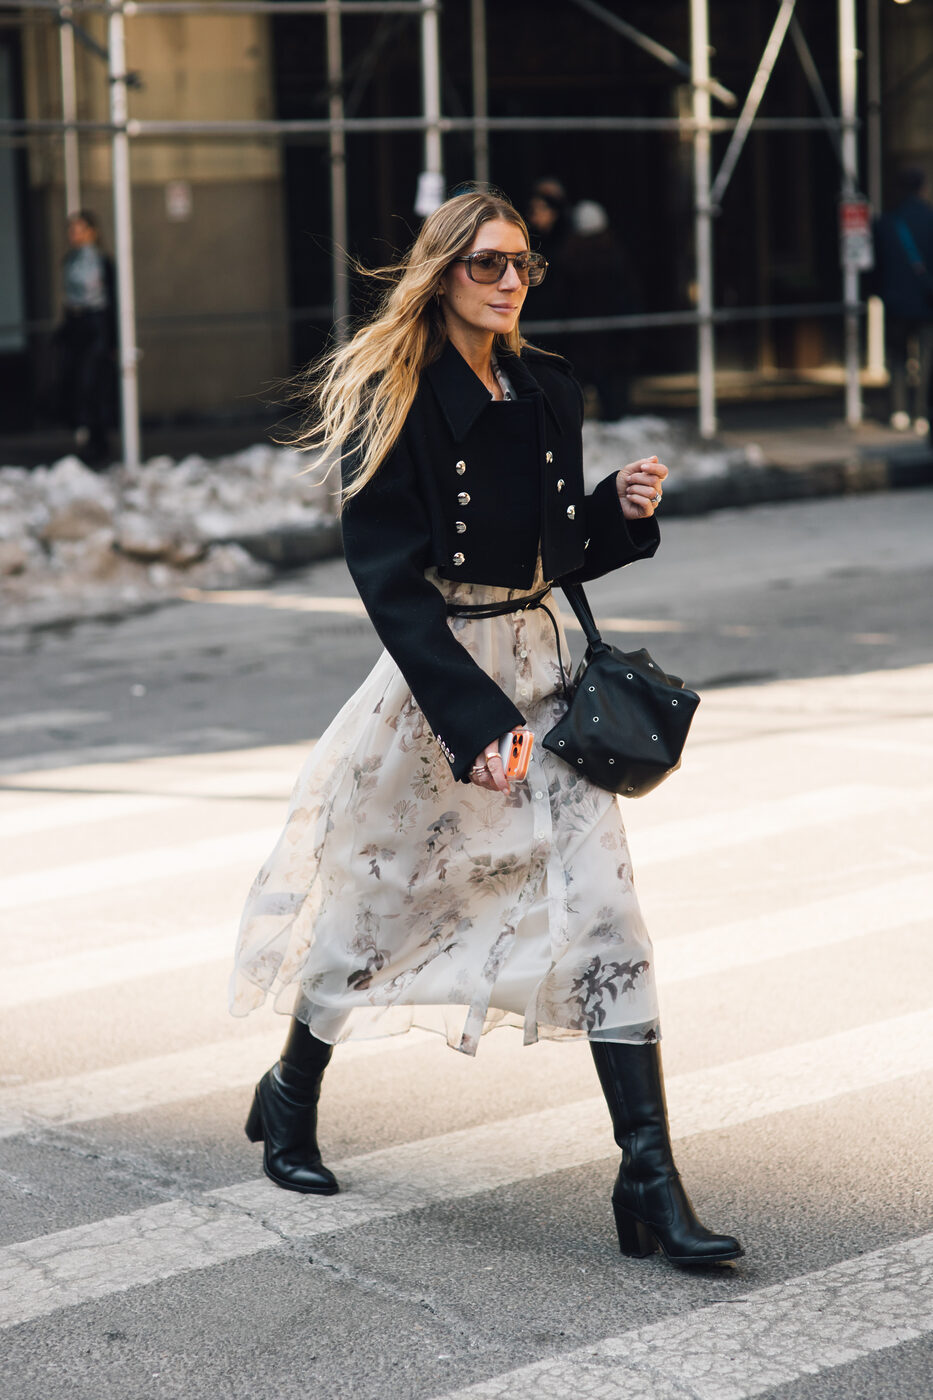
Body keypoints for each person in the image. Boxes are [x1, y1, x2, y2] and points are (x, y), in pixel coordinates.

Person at [230, 189, 743, 1268]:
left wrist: (616, 512)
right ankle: (290, 1092)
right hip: (446, 683)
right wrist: (472, 720)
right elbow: (389, 581)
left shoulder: (546, 385)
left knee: (606, 914)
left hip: (546, 677)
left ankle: (648, 1177)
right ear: (442, 272)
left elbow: (554, 549)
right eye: (487, 264)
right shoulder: (396, 396)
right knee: (380, 902)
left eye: (522, 265)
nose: (510, 282)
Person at [560, 199, 638, 421]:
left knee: (578, 393)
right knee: (611, 393)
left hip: (587, 336)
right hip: (606, 336)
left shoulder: (572, 257)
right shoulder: (613, 255)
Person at [872, 168, 933, 437]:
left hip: (896, 302)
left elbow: (877, 266)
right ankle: (921, 413)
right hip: (927, 302)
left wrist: (880, 293)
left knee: (897, 357)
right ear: (923, 187)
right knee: (926, 358)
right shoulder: (930, 219)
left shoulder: (887, 222)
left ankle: (898, 411)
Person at [56, 210, 115, 467]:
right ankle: (89, 434)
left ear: (92, 232)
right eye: (72, 230)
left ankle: (98, 440)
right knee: (75, 383)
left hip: (95, 325)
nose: (74, 235)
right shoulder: (69, 260)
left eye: (80, 229)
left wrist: (112, 339)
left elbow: (111, 299)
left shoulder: (101, 262)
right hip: (76, 325)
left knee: (91, 383)